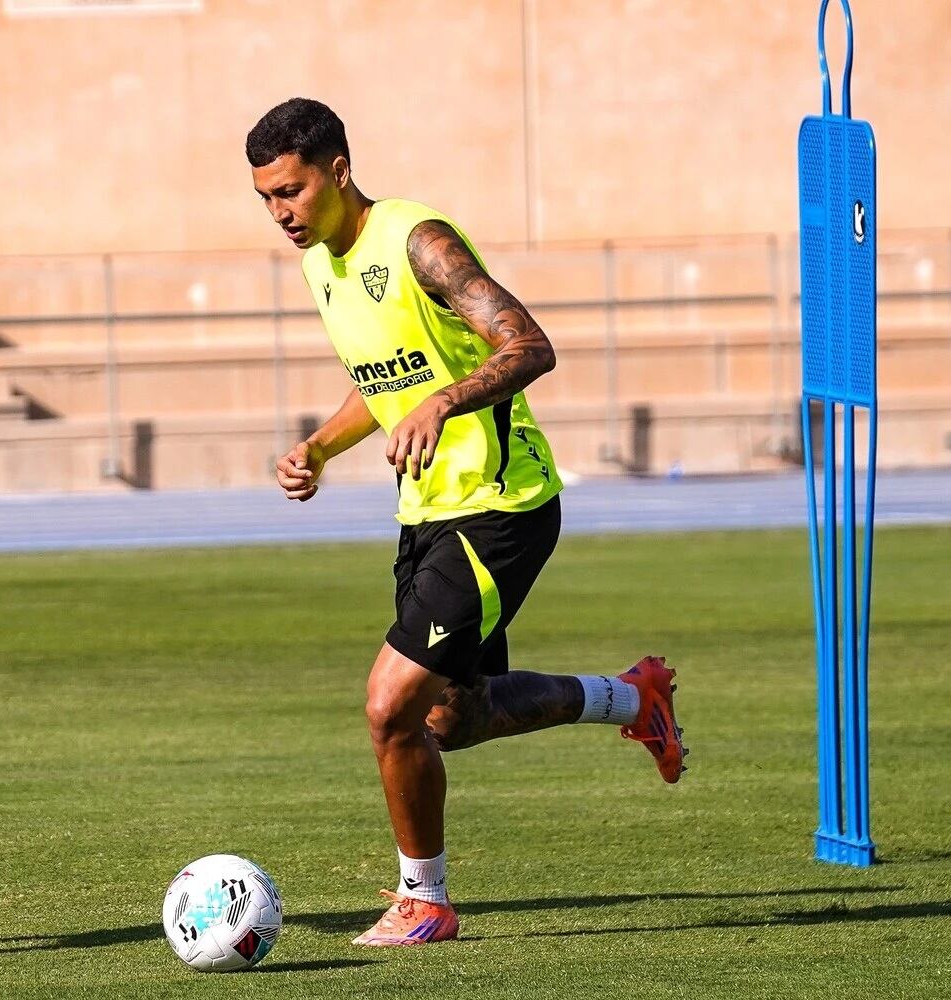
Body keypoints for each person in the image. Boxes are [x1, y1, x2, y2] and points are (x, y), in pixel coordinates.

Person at [246, 98, 686, 946]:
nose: (281, 214)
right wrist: (321, 446)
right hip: (429, 509)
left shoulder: (418, 241)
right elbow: (386, 381)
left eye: (292, 191)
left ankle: (426, 901)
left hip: (500, 504)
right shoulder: (321, 266)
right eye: (266, 198)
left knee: (389, 709)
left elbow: (528, 345)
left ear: (338, 171)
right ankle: (633, 697)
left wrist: (445, 403)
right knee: (453, 719)